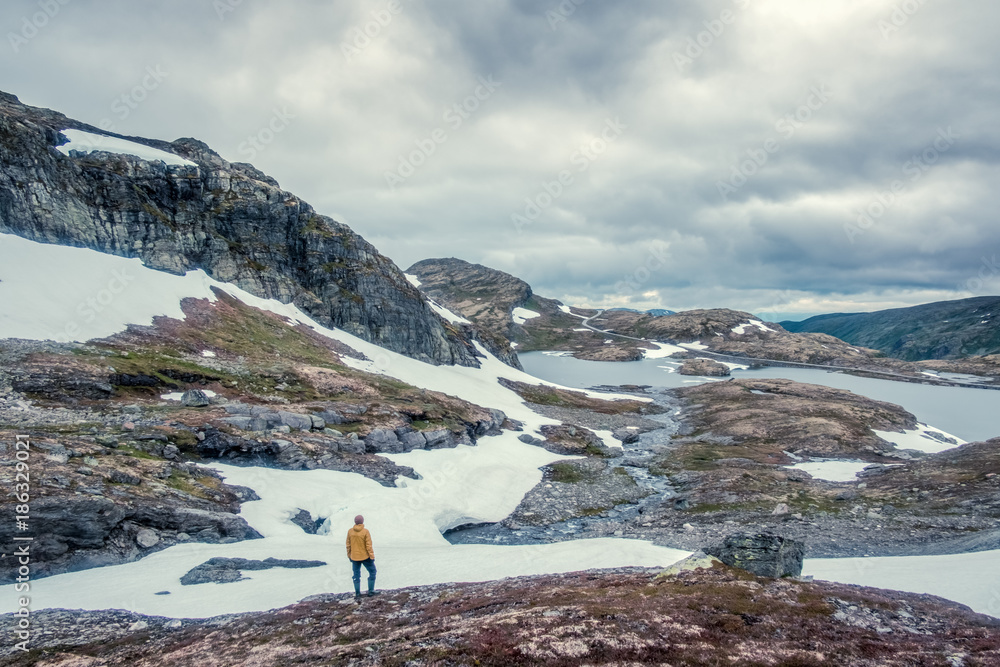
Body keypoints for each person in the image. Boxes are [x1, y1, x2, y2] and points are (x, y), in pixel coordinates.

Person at [346, 514, 377, 598]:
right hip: (365, 557)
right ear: (362, 521)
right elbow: (368, 545)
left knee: (356, 575)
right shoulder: (365, 531)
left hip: (354, 557)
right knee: (372, 572)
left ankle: (357, 593)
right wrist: (372, 556)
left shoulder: (350, 531)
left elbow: (348, 545)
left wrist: (349, 555)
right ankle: (370, 591)